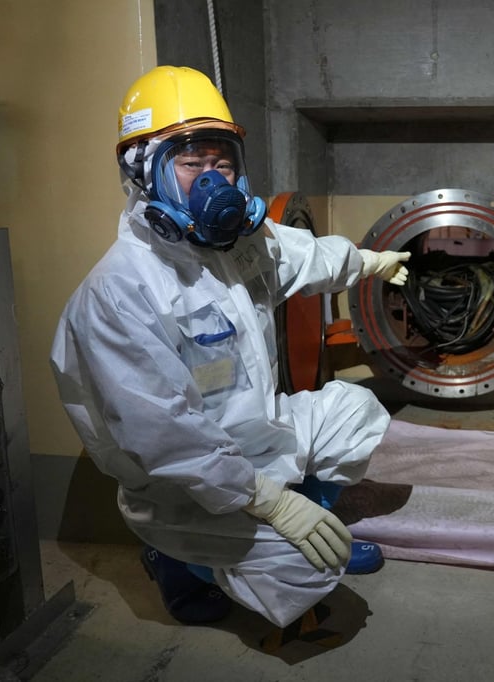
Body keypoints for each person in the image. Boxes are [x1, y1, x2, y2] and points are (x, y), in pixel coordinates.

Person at [49, 65, 410, 630]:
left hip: (253, 436)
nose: (213, 179)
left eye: (222, 162)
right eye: (191, 163)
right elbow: (169, 441)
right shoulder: (120, 294)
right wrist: (271, 503)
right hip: (182, 486)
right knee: (309, 573)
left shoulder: (239, 245)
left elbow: (306, 255)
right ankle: (178, 561)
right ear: (143, 171)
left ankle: (303, 522)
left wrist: (369, 263)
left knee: (355, 413)